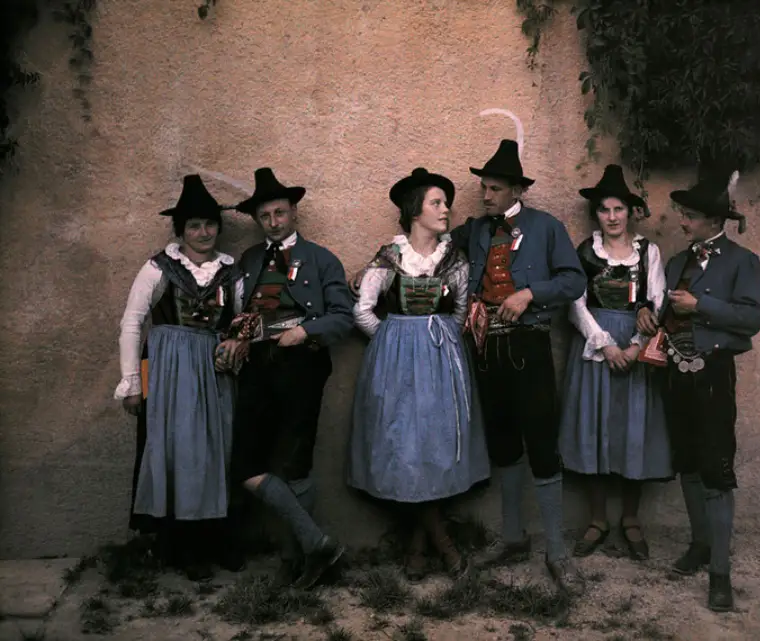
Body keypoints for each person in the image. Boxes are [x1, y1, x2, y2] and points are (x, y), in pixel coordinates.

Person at [453, 140, 587, 591]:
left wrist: (530, 294)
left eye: (493, 189)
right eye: (484, 187)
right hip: (484, 349)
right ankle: (512, 538)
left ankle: (556, 551)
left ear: (516, 190)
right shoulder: (474, 231)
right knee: (504, 444)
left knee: (542, 443)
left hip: (528, 346)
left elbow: (573, 279)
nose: (485, 195)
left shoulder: (545, 227)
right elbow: (427, 249)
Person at [347, 168, 490, 581]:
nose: (446, 210)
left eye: (446, 203)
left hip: (443, 362)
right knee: (405, 447)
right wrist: (394, 336)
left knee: (436, 446)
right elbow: (362, 310)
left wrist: (436, 338)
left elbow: (461, 312)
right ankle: (442, 544)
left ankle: (417, 545)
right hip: (396, 365)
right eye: (437, 203)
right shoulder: (388, 258)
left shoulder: (454, 261)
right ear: (415, 211)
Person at [215, 167, 355, 589]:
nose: (274, 223)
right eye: (265, 217)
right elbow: (240, 312)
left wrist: (305, 331)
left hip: (302, 365)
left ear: (293, 211)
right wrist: (236, 339)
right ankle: (318, 542)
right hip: (258, 366)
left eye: (280, 213)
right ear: (258, 221)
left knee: (296, 464)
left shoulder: (321, 259)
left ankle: (295, 558)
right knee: (244, 465)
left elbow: (343, 317)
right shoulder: (250, 260)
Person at [636, 170, 760, 612]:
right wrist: (649, 319)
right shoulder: (677, 263)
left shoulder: (743, 262)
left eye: (689, 216)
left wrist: (701, 306)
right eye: (683, 215)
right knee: (687, 463)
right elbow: (665, 311)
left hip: (712, 377)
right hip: (676, 375)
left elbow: (751, 319)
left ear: (713, 221)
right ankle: (700, 544)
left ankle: (720, 575)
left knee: (715, 469)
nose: (682, 222)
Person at [115, 174, 239, 580]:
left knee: (214, 449)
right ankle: (180, 545)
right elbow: (132, 322)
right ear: (180, 231)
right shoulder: (159, 268)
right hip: (168, 372)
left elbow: (240, 323)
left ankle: (214, 537)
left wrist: (234, 344)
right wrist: (132, 383)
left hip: (214, 370)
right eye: (193, 226)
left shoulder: (230, 271)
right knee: (177, 450)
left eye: (209, 224)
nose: (203, 233)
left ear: (218, 228)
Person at [558, 165, 671, 561]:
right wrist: (605, 346)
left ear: (630, 212)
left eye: (618, 209)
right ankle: (597, 518)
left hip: (636, 351)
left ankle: (630, 517)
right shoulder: (585, 253)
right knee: (596, 428)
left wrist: (637, 346)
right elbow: (575, 303)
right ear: (597, 214)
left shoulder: (649, 254)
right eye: (604, 209)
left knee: (632, 430)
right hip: (596, 348)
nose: (611, 217)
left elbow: (658, 301)